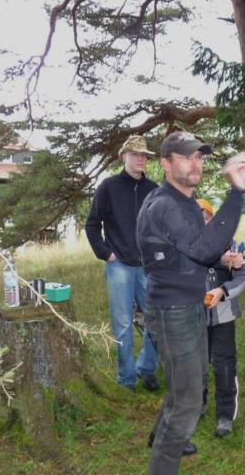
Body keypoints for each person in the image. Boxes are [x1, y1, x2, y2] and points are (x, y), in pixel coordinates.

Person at [136, 131, 245, 475]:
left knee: (189, 383)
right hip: (172, 310)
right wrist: (236, 193)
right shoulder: (165, 205)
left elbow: (191, 252)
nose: (195, 163)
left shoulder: (184, 201)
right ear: (165, 163)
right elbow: (201, 248)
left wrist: (221, 259)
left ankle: (160, 438)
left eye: (199, 157)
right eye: (186, 157)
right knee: (188, 402)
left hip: (189, 305)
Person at [85, 134, 159, 392]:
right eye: (135, 154)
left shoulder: (154, 190)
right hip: (119, 266)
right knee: (124, 325)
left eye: (144, 155)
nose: (140, 159)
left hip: (148, 268)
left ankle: (146, 368)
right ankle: (126, 378)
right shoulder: (109, 187)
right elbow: (92, 225)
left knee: (157, 319)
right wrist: (107, 254)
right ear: (124, 156)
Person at [197, 198, 245, 438]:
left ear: (212, 220)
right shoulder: (185, 245)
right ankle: (196, 406)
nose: (202, 222)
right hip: (193, 316)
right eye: (196, 218)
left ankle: (225, 415)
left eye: (206, 217)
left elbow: (244, 274)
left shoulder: (228, 246)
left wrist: (223, 291)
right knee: (195, 363)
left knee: (225, 363)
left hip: (223, 315)